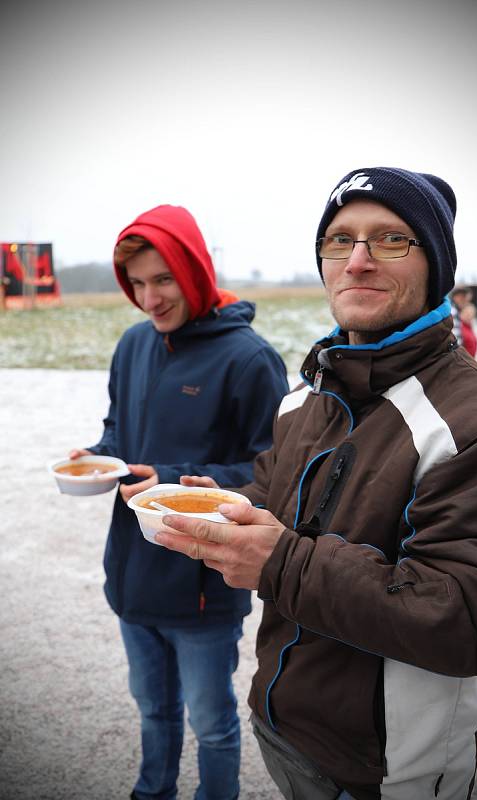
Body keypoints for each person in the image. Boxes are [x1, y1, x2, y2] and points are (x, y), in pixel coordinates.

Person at [155, 168, 477, 800]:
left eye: (389, 239)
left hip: (391, 769)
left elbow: (467, 621)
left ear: (436, 268)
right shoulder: (304, 399)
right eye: (339, 240)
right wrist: (220, 508)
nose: (357, 261)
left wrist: (280, 561)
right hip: (284, 726)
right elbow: (277, 504)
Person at [69, 204, 289, 800]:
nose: (150, 298)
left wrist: (169, 476)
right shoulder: (133, 345)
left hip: (202, 585)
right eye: (137, 284)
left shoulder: (250, 359)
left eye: (163, 279)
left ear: (194, 270)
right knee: (153, 713)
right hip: (133, 576)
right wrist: (96, 460)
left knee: (212, 725)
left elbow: (273, 475)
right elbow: (119, 433)